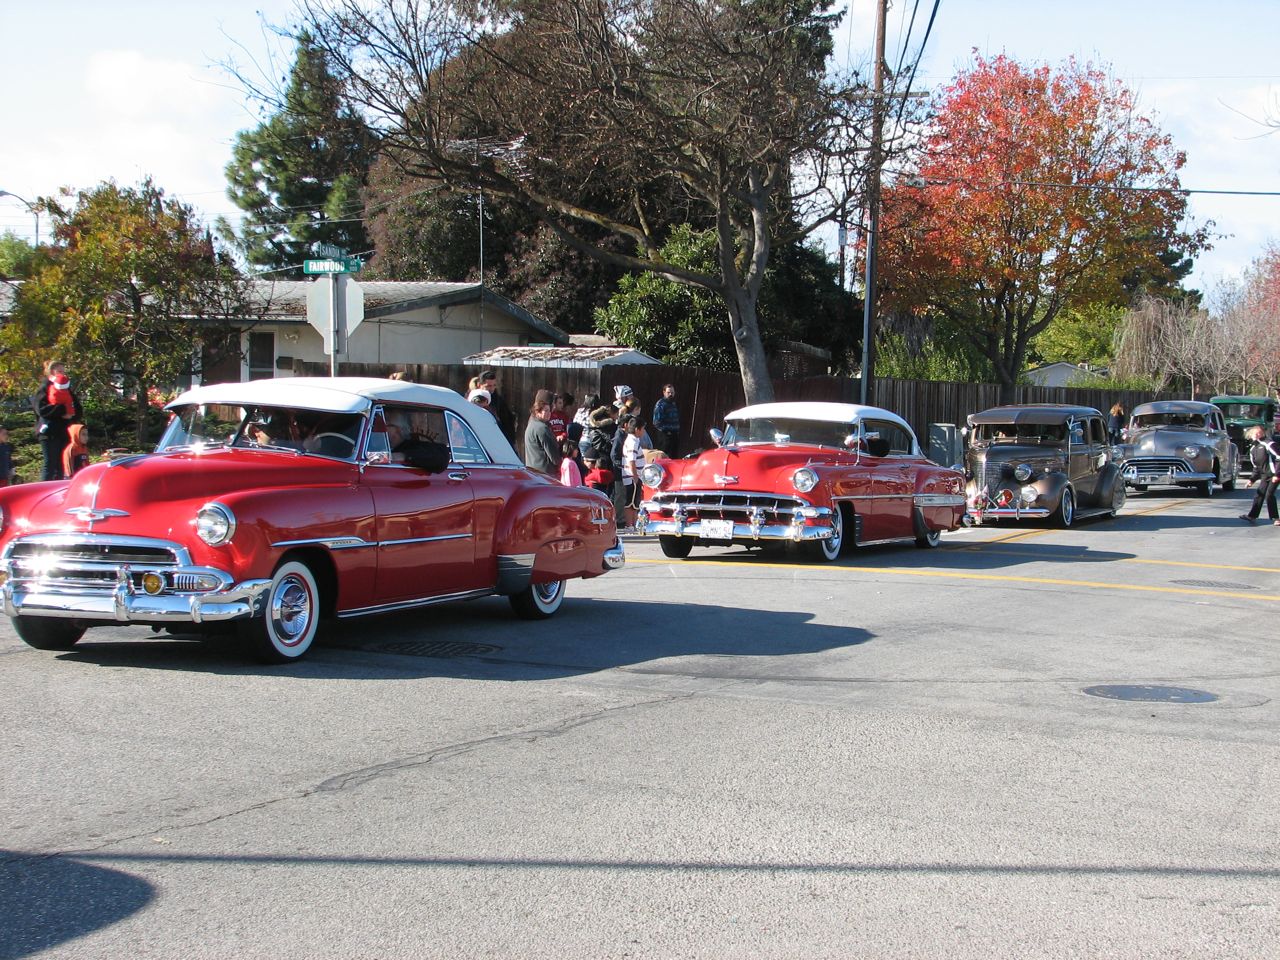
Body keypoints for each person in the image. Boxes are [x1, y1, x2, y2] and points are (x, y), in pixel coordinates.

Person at [32, 360, 83, 482]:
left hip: (63, 431)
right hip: (48, 432)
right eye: (59, 371)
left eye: (63, 371)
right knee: (50, 464)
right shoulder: (45, 387)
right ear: (52, 372)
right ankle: (43, 492)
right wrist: (63, 410)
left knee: (61, 465)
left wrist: (71, 414)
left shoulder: (66, 388)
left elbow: (77, 408)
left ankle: (58, 491)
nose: (62, 374)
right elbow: (41, 410)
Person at [1240, 426, 1280, 525]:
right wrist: (1251, 480)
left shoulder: (1269, 444)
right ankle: (1252, 516)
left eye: (1259, 432)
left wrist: (1277, 474)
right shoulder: (1253, 449)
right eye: (1254, 433)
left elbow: (1279, 457)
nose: (1256, 434)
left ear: (1263, 433)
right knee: (1259, 494)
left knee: (1269, 495)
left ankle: (1276, 518)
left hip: (1274, 474)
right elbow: (1256, 467)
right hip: (1265, 475)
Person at [383, 422, 450, 472]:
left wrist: (404, 455)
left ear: (398, 429)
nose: (382, 428)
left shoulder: (412, 446)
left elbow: (442, 456)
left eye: (387, 425)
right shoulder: (377, 445)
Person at [620, 415, 648, 531]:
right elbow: (631, 460)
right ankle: (629, 525)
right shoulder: (632, 442)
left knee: (635, 501)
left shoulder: (634, 440)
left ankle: (635, 524)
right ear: (637, 429)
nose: (644, 432)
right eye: (643, 429)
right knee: (631, 502)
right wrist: (635, 475)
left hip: (633, 476)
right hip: (632, 477)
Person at [523, 397, 562, 476]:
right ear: (537, 412)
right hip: (545, 472)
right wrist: (560, 462)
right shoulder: (542, 428)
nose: (549, 413)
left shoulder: (531, 425)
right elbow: (552, 454)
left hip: (532, 470)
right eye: (546, 411)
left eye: (549, 410)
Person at [479, 369, 517, 443]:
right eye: (488, 386)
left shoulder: (498, 401)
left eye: (494, 385)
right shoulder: (472, 399)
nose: (492, 389)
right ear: (479, 385)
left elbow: (507, 422)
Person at [653, 383, 681, 457]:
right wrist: (668, 431)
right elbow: (656, 422)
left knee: (674, 457)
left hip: (675, 435)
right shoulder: (660, 404)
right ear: (664, 392)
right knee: (664, 457)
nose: (670, 394)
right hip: (665, 436)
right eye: (668, 392)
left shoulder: (673, 403)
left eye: (672, 392)